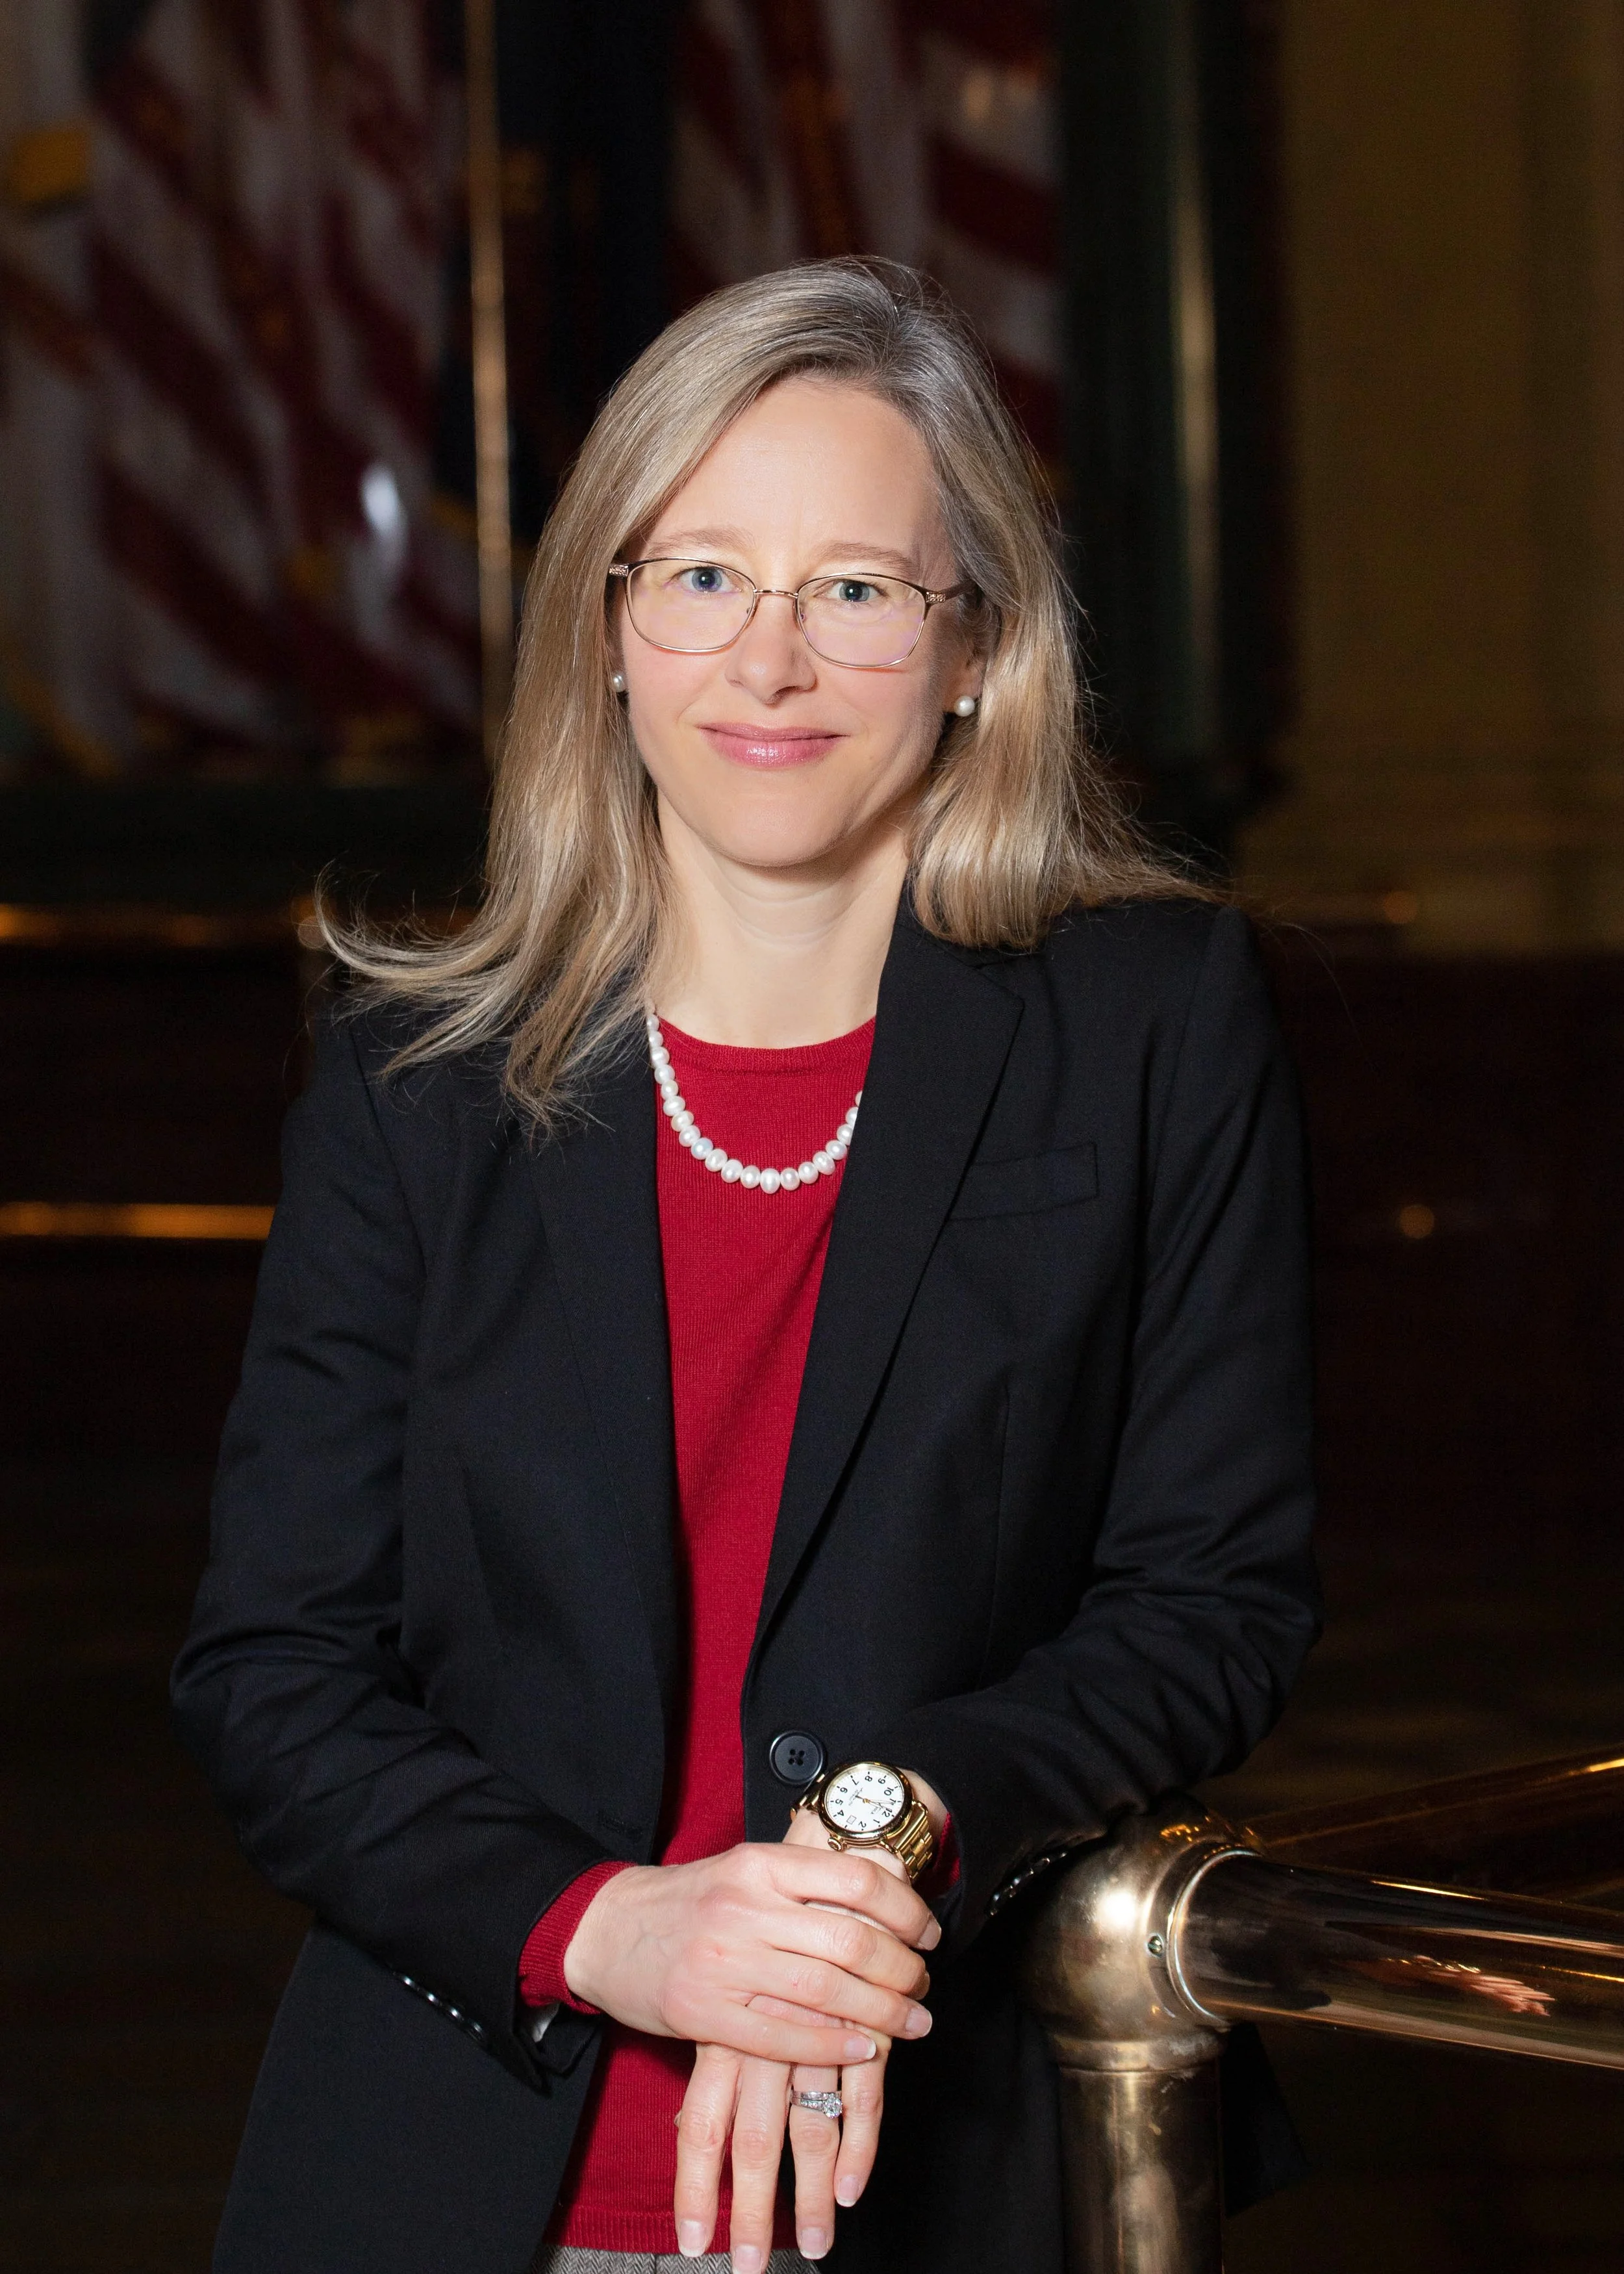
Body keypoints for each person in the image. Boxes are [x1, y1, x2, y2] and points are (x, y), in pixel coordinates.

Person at [173, 258, 1318, 2274]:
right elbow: (272, 1668)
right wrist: (618, 1926)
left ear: (973, 646)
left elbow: (1210, 1596)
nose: (766, 660)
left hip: (957, 2170)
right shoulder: (410, 1074)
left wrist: (896, 1828)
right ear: (605, 633)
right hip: (467, 2167)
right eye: (698, 574)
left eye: (857, 589)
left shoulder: (1149, 1017)